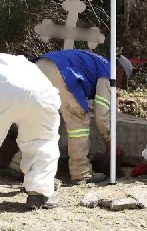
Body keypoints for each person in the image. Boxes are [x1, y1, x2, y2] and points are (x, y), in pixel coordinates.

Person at [8, 49, 132, 185]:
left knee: (41, 121)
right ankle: (81, 172)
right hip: (62, 72)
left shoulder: (96, 61)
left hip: (39, 67)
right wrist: (110, 142)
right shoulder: (108, 72)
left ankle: (18, 165)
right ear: (120, 71)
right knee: (79, 121)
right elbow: (101, 116)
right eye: (121, 82)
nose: (118, 86)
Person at [0, 52, 61, 212]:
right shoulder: (27, 65)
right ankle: (38, 194)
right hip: (43, 95)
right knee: (42, 140)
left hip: (3, 88)